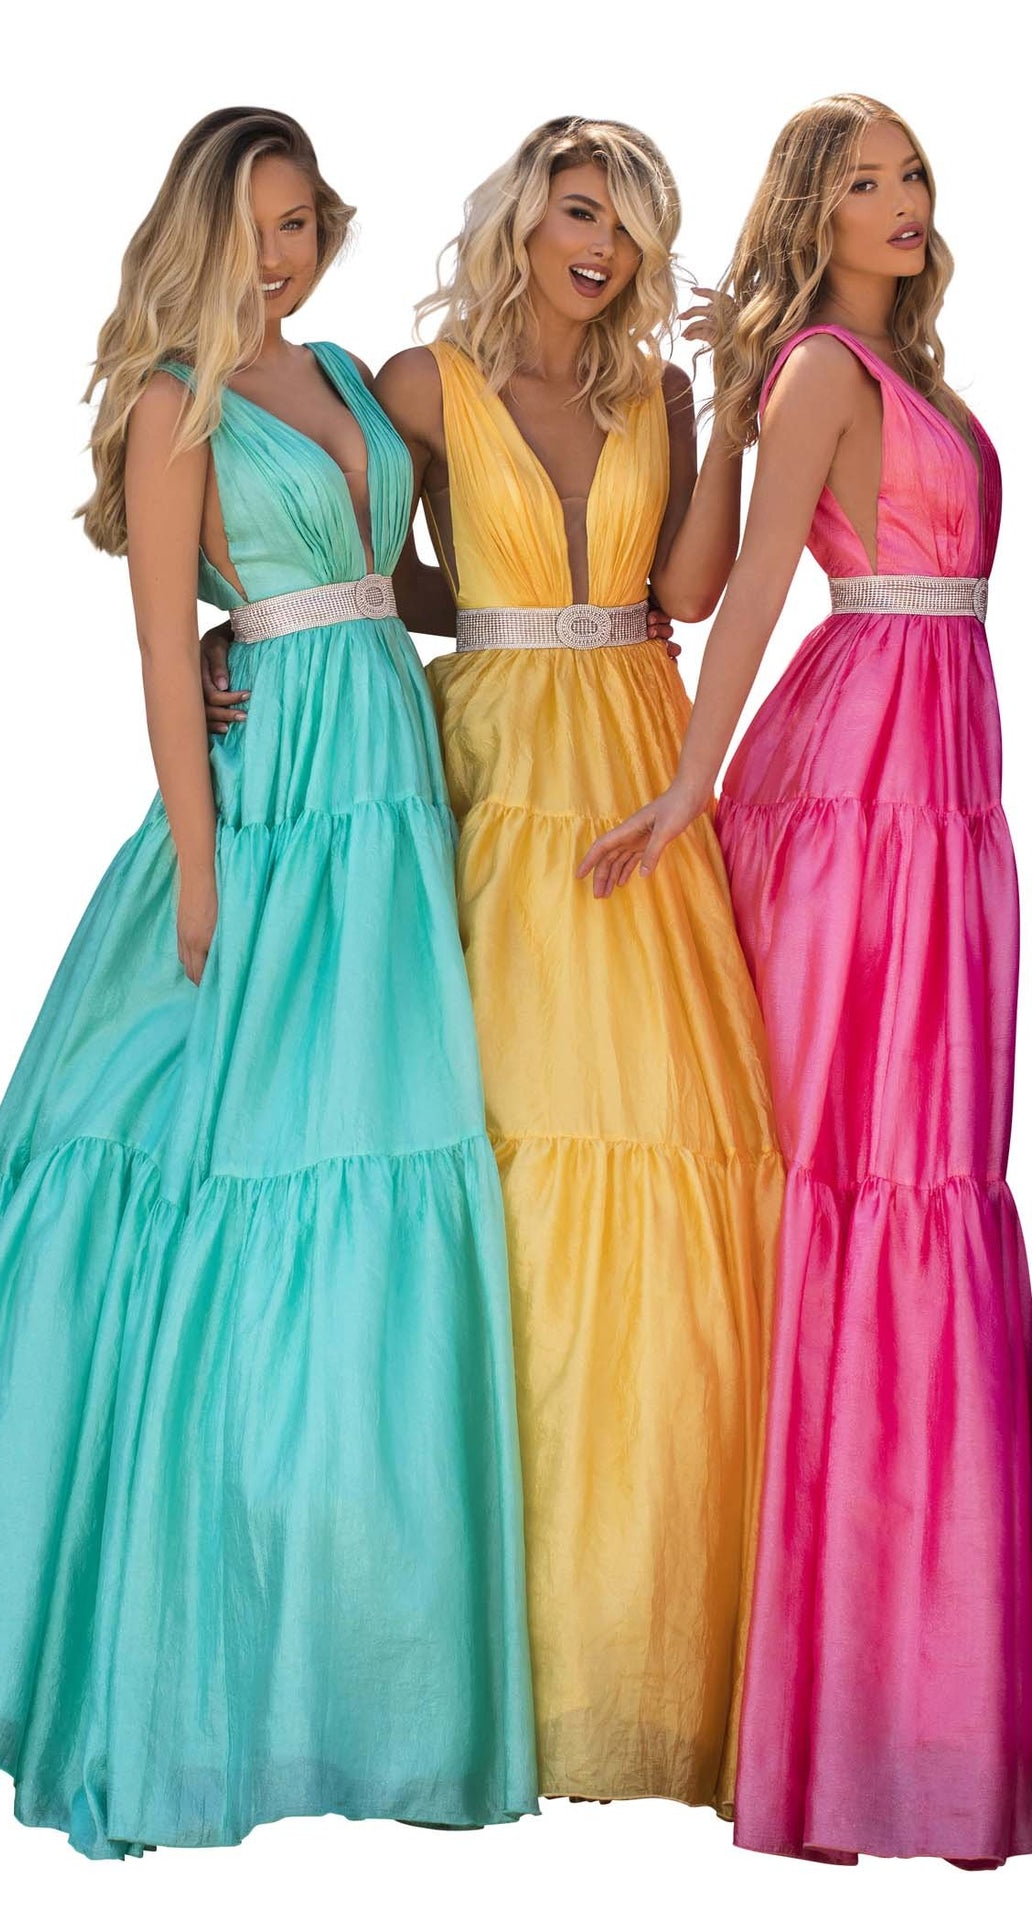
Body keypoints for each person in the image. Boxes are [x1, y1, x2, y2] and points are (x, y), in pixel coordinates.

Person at [0, 106, 539, 1858]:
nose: (279, 254)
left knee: (385, 1152)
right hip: (276, 804)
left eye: (301, 222)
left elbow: (402, 585)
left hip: (394, 789)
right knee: (237, 1169)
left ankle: (362, 1650)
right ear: (198, 236)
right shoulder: (175, 405)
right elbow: (164, 651)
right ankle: (171, 1653)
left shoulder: (357, 386)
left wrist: (559, 619)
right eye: (252, 225)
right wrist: (207, 872)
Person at [228, 116, 782, 1814]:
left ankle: (629, 1650)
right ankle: (457, 1653)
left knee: (667, 1163)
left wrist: (733, 416)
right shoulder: (421, 384)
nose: (602, 244)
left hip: (637, 749)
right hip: (480, 763)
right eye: (578, 209)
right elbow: (360, 561)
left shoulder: (657, 393)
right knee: (492, 1167)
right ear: (523, 221)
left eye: (630, 222)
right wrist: (246, 624)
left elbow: (689, 586)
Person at [580, 94, 1032, 1864]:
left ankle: (914, 1691)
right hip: (856, 804)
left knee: (932, 1182)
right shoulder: (827, 371)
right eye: (862, 180)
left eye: (911, 174)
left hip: (949, 802)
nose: (901, 200)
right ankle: (840, 1716)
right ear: (810, 210)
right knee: (858, 1186)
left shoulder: (917, 374)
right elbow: (750, 587)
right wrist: (689, 788)